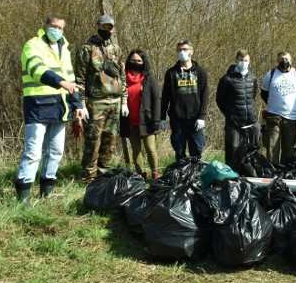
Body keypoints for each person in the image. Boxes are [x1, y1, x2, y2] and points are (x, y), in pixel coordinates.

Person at [16, 14, 85, 203]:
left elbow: (70, 78)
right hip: (37, 106)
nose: (57, 30)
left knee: (56, 152)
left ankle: (46, 194)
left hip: (60, 107)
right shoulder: (33, 45)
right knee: (33, 153)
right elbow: (35, 69)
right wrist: (59, 82)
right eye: (54, 26)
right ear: (46, 26)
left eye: (61, 28)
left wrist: (77, 105)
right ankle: (23, 198)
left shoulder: (65, 49)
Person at [75, 14, 127, 182]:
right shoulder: (87, 49)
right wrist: (81, 103)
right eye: (104, 26)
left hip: (115, 101)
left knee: (110, 140)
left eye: (110, 27)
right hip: (96, 102)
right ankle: (89, 177)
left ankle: (104, 175)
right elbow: (79, 79)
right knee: (92, 140)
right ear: (97, 26)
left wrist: (124, 100)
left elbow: (122, 76)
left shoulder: (116, 49)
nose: (107, 30)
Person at [161, 39, 210, 160]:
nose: (182, 52)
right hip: (177, 120)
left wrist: (201, 117)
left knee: (197, 151)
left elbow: (205, 95)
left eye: (185, 49)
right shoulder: (171, 73)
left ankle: (196, 177)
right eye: (179, 50)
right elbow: (165, 96)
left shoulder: (200, 72)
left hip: (195, 120)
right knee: (179, 151)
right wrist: (161, 118)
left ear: (191, 51)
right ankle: (181, 177)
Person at [120, 49, 163, 181]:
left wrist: (157, 119)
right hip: (130, 121)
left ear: (143, 62)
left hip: (147, 121)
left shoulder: (149, 78)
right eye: (133, 60)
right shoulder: (122, 78)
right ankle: (140, 175)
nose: (136, 63)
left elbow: (156, 98)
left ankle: (155, 174)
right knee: (136, 150)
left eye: (139, 61)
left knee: (150, 149)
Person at [260, 51, 296, 165]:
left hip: (291, 117)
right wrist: (274, 104)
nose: (284, 61)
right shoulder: (270, 74)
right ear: (277, 60)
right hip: (273, 116)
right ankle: (272, 172)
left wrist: (292, 104)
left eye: (286, 59)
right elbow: (264, 93)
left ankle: (285, 173)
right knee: (272, 147)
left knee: (288, 148)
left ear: (291, 61)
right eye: (281, 59)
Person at [216, 49, 260, 165]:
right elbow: (220, 100)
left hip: (251, 120)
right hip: (233, 123)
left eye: (246, 60)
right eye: (241, 60)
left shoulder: (253, 78)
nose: (243, 62)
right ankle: (231, 177)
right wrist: (230, 113)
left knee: (253, 153)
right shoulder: (227, 79)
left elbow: (252, 96)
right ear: (236, 60)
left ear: (249, 62)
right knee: (232, 153)